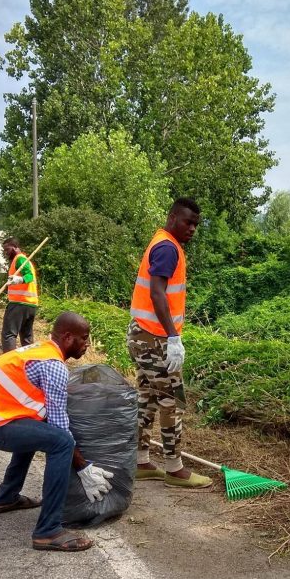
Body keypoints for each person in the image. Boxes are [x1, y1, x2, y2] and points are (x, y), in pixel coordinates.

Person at [0, 311, 114, 552]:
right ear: (68, 337)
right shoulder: (53, 366)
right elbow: (60, 426)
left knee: (39, 431)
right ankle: (48, 531)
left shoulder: (41, 349)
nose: (87, 344)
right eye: (84, 338)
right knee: (60, 442)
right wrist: (84, 467)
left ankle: (6, 498)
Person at [127, 198, 212, 489]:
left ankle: (139, 462)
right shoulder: (166, 248)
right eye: (187, 222)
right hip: (155, 339)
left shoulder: (162, 242)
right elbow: (157, 294)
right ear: (173, 217)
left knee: (147, 398)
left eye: (195, 225)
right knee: (173, 401)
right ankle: (174, 468)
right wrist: (172, 337)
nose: (192, 229)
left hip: (142, 334)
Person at [1, 238, 38, 352]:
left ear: (15, 247)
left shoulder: (20, 259)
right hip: (31, 305)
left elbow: (29, 276)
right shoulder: (24, 260)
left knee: (9, 335)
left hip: (19, 304)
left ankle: (9, 363)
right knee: (26, 337)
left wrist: (20, 279)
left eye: (7, 249)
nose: (6, 252)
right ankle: (29, 363)